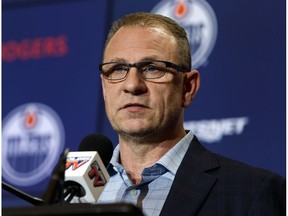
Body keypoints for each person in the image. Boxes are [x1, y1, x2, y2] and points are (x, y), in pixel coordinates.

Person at [97, 12, 285, 216]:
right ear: (104, 87)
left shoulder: (252, 192)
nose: (132, 85)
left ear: (188, 88)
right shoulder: (68, 191)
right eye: (117, 69)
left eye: (152, 68)